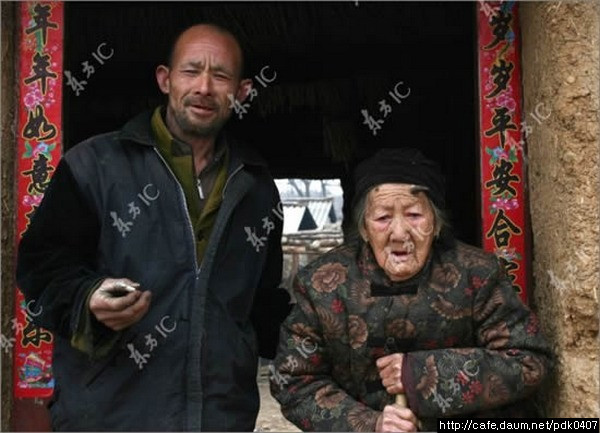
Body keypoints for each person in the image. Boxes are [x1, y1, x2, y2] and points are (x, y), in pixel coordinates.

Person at [17, 23, 291, 431]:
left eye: (220, 76)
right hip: (110, 417)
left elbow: (262, 304)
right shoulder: (95, 165)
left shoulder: (256, 186)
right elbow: (40, 267)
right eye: (191, 71)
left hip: (220, 418)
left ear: (243, 91)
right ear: (165, 79)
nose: (204, 87)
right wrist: (88, 298)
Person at [270, 148, 552, 431]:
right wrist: (372, 425)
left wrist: (420, 374)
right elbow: (293, 380)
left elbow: (528, 361)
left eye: (414, 214)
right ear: (364, 229)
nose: (400, 233)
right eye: (382, 218)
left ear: (436, 223)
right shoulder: (322, 284)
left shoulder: (477, 273)